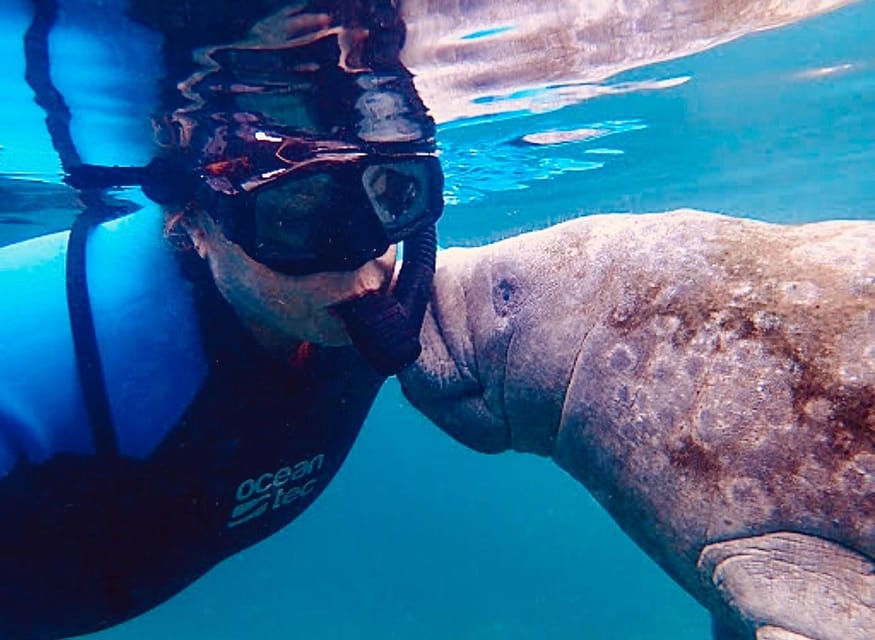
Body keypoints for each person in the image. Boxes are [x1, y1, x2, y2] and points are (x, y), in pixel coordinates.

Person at [0, 1, 442, 638]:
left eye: (394, 194)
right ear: (199, 224)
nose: (364, 259)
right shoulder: (51, 334)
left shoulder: (409, 279)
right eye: (294, 217)